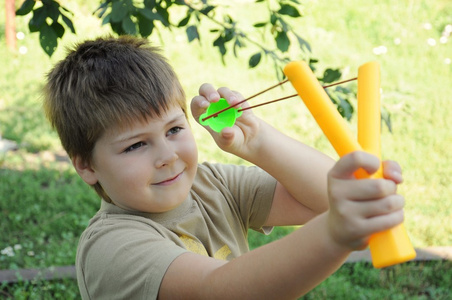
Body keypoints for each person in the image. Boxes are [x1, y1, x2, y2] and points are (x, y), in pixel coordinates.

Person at [43, 36, 405, 299]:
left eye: (174, 129)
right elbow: (218, 290)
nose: (167, 155)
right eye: (136, 144)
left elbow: (321, 199)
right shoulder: (112, 247)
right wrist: (334, 234)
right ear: (87, 166)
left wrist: (259, 141)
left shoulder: (210, 183)